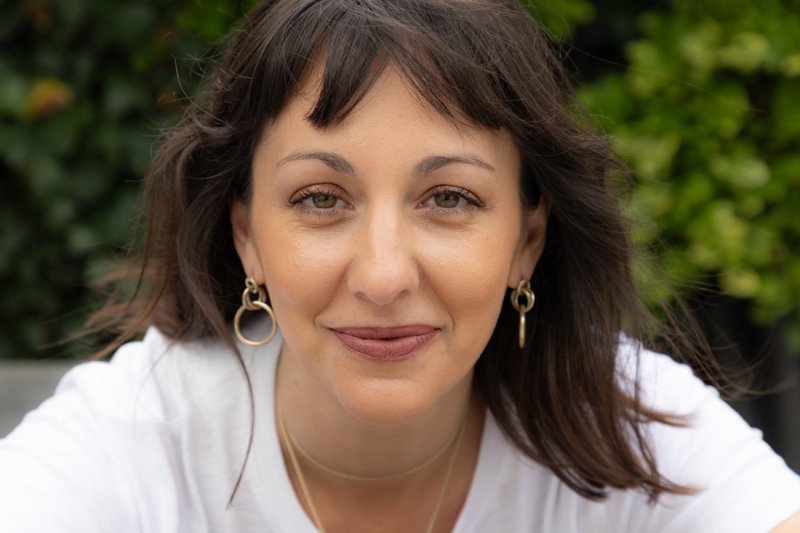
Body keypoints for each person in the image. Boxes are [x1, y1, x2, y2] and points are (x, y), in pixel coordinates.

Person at [1, 0, 799, 531]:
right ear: (246, 235)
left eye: (449, 198)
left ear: (527, 240)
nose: (383, 276)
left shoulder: (622, 427)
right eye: (320, 198)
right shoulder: (134, 444)